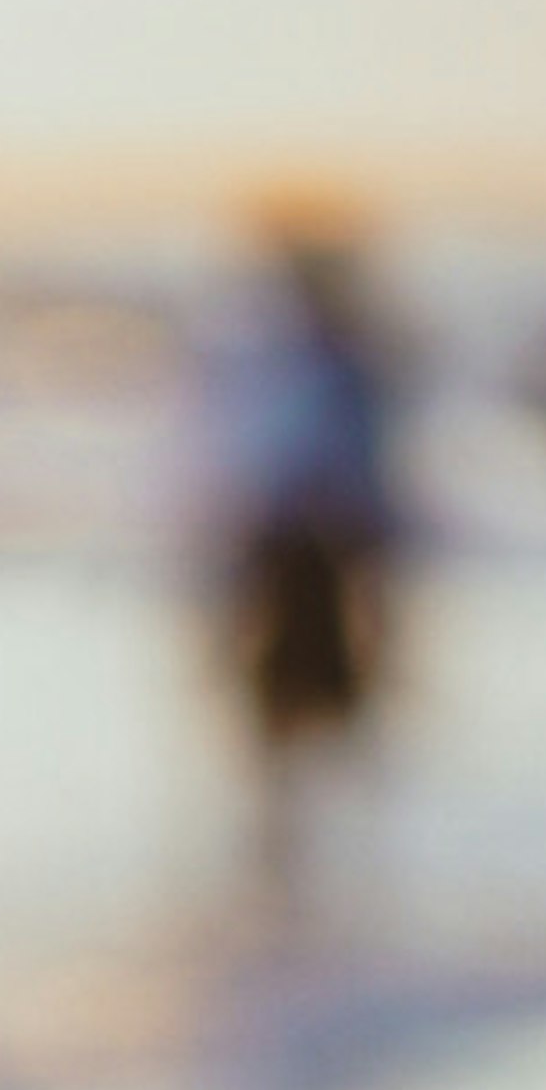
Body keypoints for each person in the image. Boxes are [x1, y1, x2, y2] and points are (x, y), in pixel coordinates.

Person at [207, 225, 401, 862]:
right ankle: (293, 824)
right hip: (294, 539)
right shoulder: (292, 353)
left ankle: (309, 827)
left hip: (314, 541)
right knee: (289, 682)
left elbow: (353, 456)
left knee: (311, 682)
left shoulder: (333, 359)